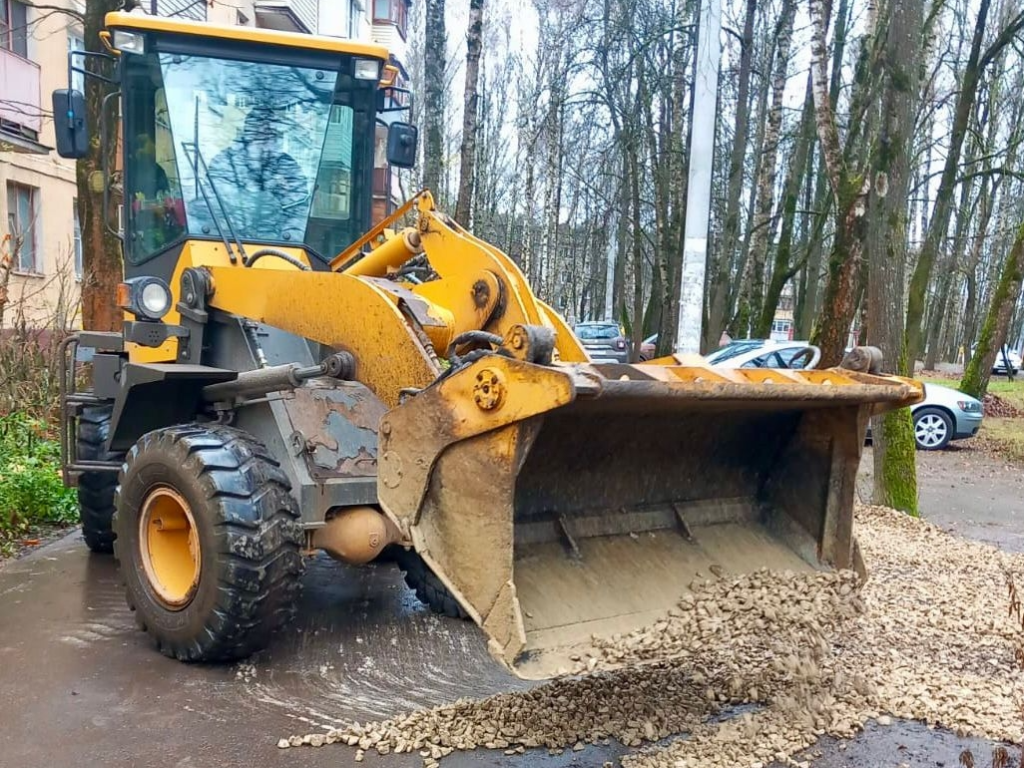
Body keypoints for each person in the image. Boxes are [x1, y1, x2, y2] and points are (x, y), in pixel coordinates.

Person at [205, 106, 308, 243]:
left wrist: (288, 242)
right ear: (247, 138)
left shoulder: (288, 167)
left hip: (277, 248)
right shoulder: (223, 163)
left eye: (271, 137)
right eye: (259, 137)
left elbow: (298, 212)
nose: (265, 145)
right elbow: (211, 207)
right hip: (225, 244)